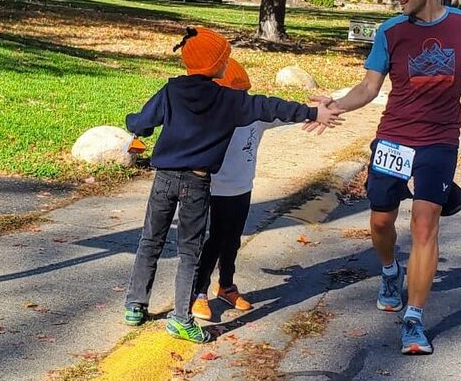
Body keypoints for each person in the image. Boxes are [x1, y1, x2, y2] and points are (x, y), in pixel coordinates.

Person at [306, 0, 461, 355]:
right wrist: (332, 105)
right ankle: (390, 271)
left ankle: (413, 319)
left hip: (439, 139)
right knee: (380, 220)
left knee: (425, 226)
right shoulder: (390, 31)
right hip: (394, 137)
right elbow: (368, 89)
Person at [123, 27, 343, 343]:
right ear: (214, 64)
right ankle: (181, 319)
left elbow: (142, 122)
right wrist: (312, 112)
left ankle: (135, 305)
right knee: (189, 250)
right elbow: (271, 106)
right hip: (197, 183)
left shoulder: (170, 91)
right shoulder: (228, 99)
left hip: (164, 179)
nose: (228, 63)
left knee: (150, 240)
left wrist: (132, 124)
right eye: (224, 58)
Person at [191, 59, 286, 320]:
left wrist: (321, 109)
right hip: (213, 188)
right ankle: (198, 292)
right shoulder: (208, 116)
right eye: (234, 95)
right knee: (214, 241)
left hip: (242, 189)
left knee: (232, 239)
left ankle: (226, 286)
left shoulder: (256, 115)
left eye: (243, 94)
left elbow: (286, 113)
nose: (240, 100)